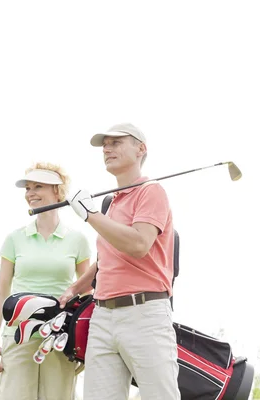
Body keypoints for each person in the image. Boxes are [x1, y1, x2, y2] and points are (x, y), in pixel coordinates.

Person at [59, 123, 181, 400]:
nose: (107, 148)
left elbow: (138, 244)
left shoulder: (151, 192)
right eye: (105, 145)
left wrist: (90, 215)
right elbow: (106, 259)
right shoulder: (110, 203)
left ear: (141, 149)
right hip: (103, 315)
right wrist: (75, 288)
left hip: (145, 313)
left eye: (116, 142)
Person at [0, 162, 93, 400]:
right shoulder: (15, 239)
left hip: (59, 336)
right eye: (27, 188)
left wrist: (86, 341)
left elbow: (86, 293)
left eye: (38, 187)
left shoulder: (77, 240)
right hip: (18, 335)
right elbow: (1, 292)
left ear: (57, 191)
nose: (30, 193)